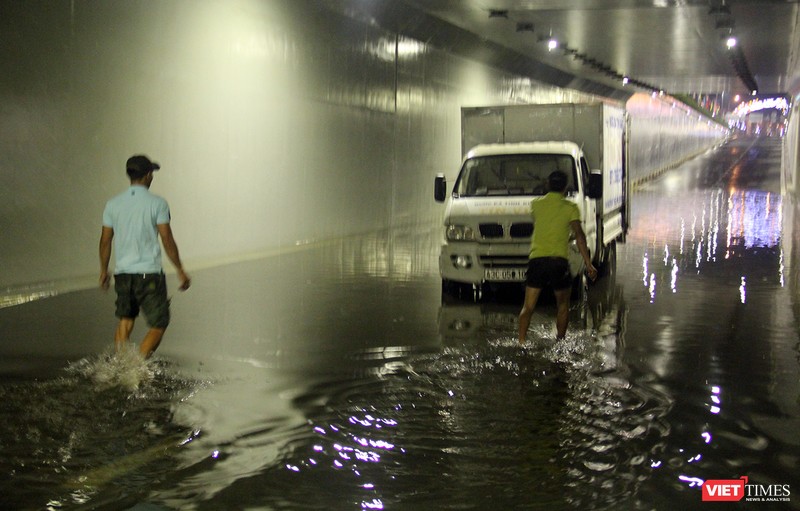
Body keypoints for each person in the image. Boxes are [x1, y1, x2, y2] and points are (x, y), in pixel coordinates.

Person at [99, 155, 191, 358]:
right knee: (159, 323)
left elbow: (105, 241)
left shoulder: (112, 205)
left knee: (125, 320)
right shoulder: (158, 203)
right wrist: (180, 270)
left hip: (123, 274)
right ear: (148, 175)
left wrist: (104, 270)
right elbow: (167, 239)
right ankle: (136, 366)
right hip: (149, 274)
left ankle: (121, 366)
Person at [518, 170, 597, 345]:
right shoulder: (571, 208)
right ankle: (559, 342)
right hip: (558, 262)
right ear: (566, 187)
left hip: (537, 261)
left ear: (547, 185)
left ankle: (521, 342)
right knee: (562, 305)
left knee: (528, 306)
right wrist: (588, 264)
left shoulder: (536, 205)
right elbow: (580, 236)